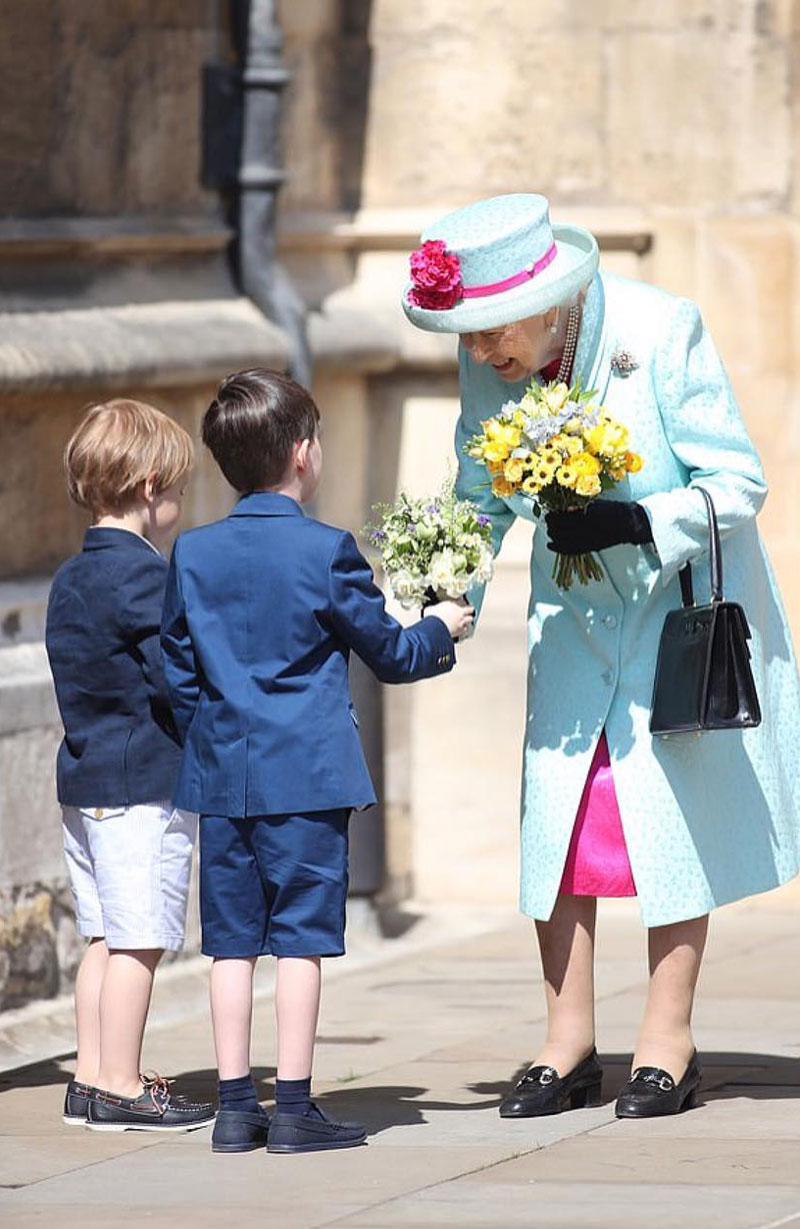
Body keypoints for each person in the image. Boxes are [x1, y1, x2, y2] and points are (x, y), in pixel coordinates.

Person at [402, 193, 800, 1118]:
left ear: (548, 301)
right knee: (564, 824)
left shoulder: (662, 330)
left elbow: (737, 479)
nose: (475, 354)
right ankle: (566, 1042)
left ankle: (667, 1042)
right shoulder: (494, 365)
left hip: (672, 609)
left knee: (667, 820)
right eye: (459, 336)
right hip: (571, 618)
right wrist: (448, 586)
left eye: (486, 332)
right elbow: (477, 490)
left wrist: (634, 519)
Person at [161, 368, 472, 1154]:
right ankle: (294, 1107)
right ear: (304, 453)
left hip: (225, 778)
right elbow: (392, 654)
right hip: (305, 780)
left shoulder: (193, 552)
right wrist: (442, 627)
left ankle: (236, 1108)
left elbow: (174, 668)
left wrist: (216, 731)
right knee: (300, 940)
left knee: (230, 943)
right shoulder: (326, 550)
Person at [46, 399, 214, 1132]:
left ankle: (89, 1074)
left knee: (103, 937)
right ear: (150, 486)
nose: (179, 497)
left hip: (85, 779)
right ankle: (120, 1082)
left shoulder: (71, 576)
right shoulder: (144, 577)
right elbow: (172, 678)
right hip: (140, 782)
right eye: (176, 485)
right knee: (139, 940)